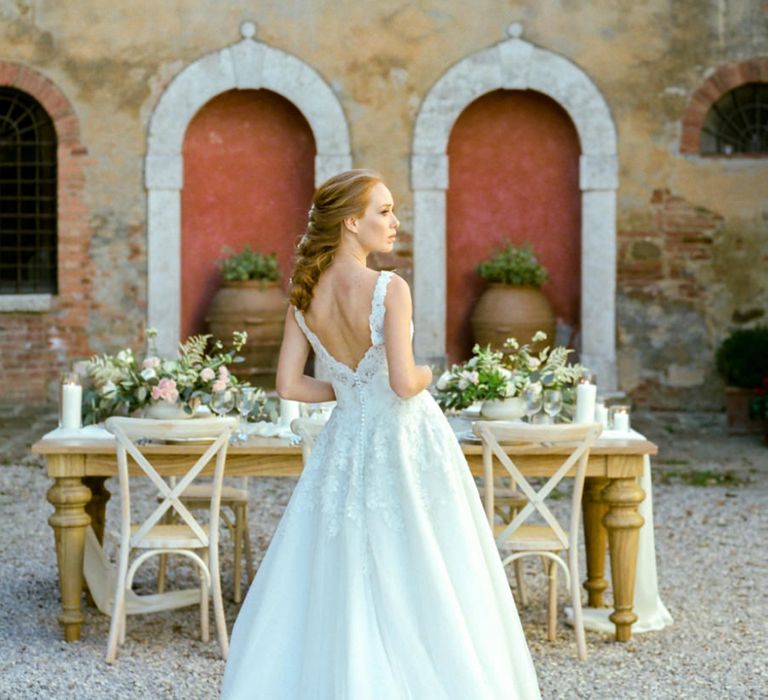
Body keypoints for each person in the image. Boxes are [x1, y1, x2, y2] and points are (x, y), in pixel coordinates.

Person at [220, 170, 541, 699]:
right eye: (384, 212)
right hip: (402, 442)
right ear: (351, 221)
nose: (394, 222)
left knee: (343, 564)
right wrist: (431, 374)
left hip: (345, 444)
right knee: (425, 563)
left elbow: (289, 385)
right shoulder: (390, 288)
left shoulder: (304, 296)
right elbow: (402, 380)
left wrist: (346, 392)